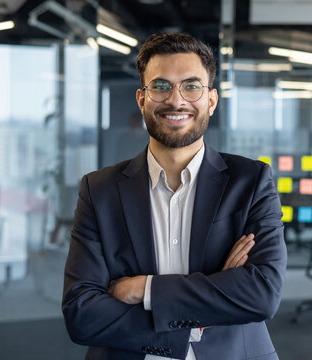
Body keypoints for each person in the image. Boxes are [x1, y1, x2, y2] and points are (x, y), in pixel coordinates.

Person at [62, 32, 287, 360]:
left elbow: (262, 294)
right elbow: (82, 314)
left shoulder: (251, 182)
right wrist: (210, 303)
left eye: (191, 86)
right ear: (142, 99)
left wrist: (144, 289)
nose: (176, 100)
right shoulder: (100, 190)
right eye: (161, 86)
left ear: (211, 100)